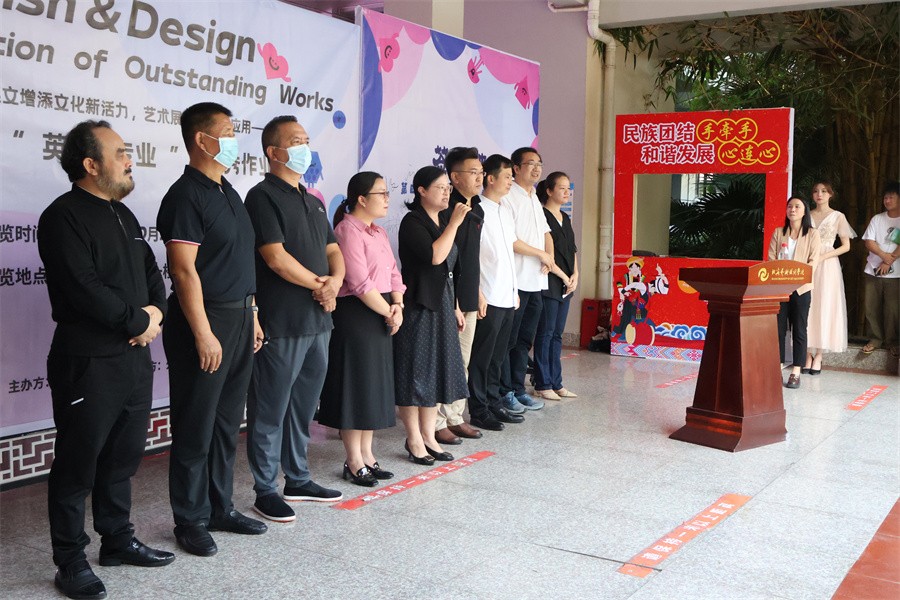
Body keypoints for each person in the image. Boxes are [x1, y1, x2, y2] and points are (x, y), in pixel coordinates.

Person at [38, 120, 174, 600]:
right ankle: (70, 560)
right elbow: (83, 288)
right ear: (90, 164)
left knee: (122, 456)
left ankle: (116, 540)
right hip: (88, 361)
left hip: (134, 358)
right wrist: (138, 321)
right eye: (120, 153)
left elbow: (151, 274)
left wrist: (156, 312)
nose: (129, 160)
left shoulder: (124, 214)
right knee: (78, 464)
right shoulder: (62, 216)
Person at [157, 102, 268, 557]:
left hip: (239, 318)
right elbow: (184, 271)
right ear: (202, 140)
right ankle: (190, 519)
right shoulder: (185, 195)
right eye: (226, 132)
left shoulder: (229, 192)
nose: (233, 140)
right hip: (205, 320)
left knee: (226, 423)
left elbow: (239, 263)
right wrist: (203, 333)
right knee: (195, 423)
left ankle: (222, 507)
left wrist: (253, 314)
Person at [244, 116, 346, 524]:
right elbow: (275, 257)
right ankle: (265, 489)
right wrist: (320, 285)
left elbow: (333, 250)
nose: (305, 147)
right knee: (270, 409)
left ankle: (298, 478)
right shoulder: (261, 197)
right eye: (296, 141)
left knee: (303, 406)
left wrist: (334, 282)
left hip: (319, 320)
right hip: (282, 321)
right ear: (274, 151)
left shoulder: (313, 199)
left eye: (306, 140)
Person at [318, 172, 406, 487]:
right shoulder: (346, 230)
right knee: (356, 387)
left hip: (382, 311)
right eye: (381, 193)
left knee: (372, 387)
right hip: (357, 314)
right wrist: (389, 312)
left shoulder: (378, 232)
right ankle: (353, 459)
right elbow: (358, 282)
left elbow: (393, 272)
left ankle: (368, 455)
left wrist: (398, 305)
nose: (387, 198)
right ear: (361, 199)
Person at [394, 167, 471, 463]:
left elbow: (449, 270)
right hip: (419, 306)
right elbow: (435, 256)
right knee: (416, 374)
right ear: (422, 191)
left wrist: (455, 306)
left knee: (436, 373)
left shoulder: (442, 221)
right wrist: (454, 224)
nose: (447, 192)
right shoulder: (412, 222)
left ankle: (429, 436)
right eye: (440, 187)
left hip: (443, 305)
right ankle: (413, 439)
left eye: (448, 187)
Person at [467, 155, 534, 431]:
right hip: (488, 294)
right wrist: (478, 292)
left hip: (507, 294)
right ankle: (478, 408)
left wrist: (514, 289)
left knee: (498, 355)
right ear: (490, 178)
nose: (510, 182)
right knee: (482, 356)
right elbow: (473, 257)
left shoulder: (505, 211)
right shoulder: (477, 210)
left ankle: (494, 402)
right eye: (506, 177)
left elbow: (508, 254)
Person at [499, 147, 554, 416]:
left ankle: (518, 388)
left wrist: (549, 256)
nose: (537, 168)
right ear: (516, 168)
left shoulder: (534, 197)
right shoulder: (508, 197)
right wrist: (540, 254)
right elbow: (511, 240)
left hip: (536, 281)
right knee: (509, 340)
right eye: (530, 163)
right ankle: (504, 392)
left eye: (539, 163)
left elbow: (545, 233)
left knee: (524, 341)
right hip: (516, 281)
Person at [435, 147, 485, 445]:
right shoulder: (446, 210)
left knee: (462, 362)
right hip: (448, 298)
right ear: (455, 177)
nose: (480, 178)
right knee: (446, 362)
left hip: (469, 295)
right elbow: (445, 262)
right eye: (473, 172)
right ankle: (438, 421)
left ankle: (455, 417)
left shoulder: (477, 208)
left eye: (481, 172)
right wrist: (452, 300)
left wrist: (478, 291)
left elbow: (470, 258)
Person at [767, 196, 821, 389]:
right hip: (780, 288)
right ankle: (777, 367)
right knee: (778, 329)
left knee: (799, 329)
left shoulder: (812, 234)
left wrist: (797, 277)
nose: (792, 209)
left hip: (801, 288)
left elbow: (814, 261)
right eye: (790, 206)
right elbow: (771, 259)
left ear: (804, 211)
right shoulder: (779, 232)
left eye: (797, 206)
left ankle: (796, 370)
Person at [533, 172, 578, 400]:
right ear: (549, 191)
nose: (567, 192)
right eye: (561, 188)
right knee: (546, 333)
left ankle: (556, 382)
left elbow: (572, 250)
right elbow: (547, 255)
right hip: (550, 282)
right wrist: (563, 276)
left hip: (566, 284)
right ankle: (542, 383)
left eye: (568, 188)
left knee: (557, 335)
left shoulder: (565, 217)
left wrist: (576, 275)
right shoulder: (542, 216)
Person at [804, 181, 856, 374]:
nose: (819, 194)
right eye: (816, 191)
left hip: (828, 264)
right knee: (808, 305)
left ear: (830, 194)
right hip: (807, 262)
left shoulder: (838, 216)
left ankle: (819, 354)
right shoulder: (806, 214)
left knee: (824, 304)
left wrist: (823, 256)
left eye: (824, 191)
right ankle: (807, 352)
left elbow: (846, 246)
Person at [861, 180, 900, 358]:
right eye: (885, 197)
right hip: (873, 270)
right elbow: (869, 241)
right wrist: (884, 257)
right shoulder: (877, 219)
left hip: (896, 273)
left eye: (891, 197)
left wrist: (889, 261)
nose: (887, 200)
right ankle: (875, 339)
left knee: (893, 309)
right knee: (871, 306)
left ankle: (893, 342)